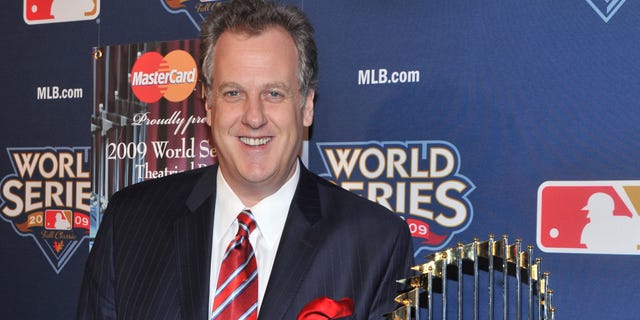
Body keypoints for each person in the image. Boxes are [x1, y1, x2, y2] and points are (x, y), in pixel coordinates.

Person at [77, 0, 415, 319]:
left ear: (307, 105)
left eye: (274, 93)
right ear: (208, 104)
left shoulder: (376, 244)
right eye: (233, 93)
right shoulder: (128, 225)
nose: (254, 117)